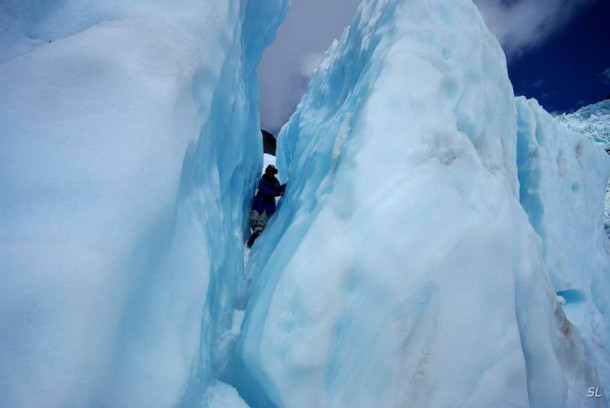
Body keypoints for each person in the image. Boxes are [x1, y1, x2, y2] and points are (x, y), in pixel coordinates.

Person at [247, 164, 286, 247]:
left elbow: (276, 190)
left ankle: (256, 235)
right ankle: (255, 231)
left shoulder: (275, 182)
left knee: (263, 219)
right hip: (260, 201)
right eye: (269, 171)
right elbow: (267, 190)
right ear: (267, 171)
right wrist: (277, 192)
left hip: (268, 204)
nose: (270, 173)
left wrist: (280, 190)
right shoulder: (263, 180)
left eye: (272, 171)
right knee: (253, 218)